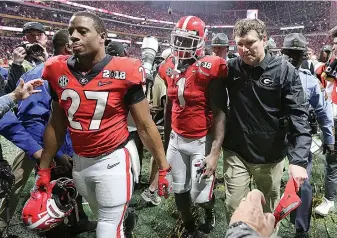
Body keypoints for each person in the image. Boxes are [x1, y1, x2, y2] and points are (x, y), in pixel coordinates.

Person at [34, 11, 171, 238]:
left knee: (107, 228)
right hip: (80, 160)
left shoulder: (124, 70)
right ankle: (126, 219)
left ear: (102, 36)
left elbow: (146, 126)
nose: (74, 37)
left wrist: (163, 167)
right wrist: (44, 169)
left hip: (113, 157)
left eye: (82, 31)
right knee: (104, 215)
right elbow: (56, 124)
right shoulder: (57, 70)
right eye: (71, 32)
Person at [210, 18, 311, 225]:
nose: (244, 49)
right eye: (239, 44)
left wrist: (299, 160)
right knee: (234, 208)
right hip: (236, 153)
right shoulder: (231, 69)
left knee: (268, 214)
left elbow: (298, 115)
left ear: (264, 40)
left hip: (270, 156)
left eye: (250, 43)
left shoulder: (284, 71)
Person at [0, 29, 98, 238]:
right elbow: (33, 122)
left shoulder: (72, 72)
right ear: (69, 48)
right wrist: (53, 154)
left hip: (69, 149)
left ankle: (77, 222)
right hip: (52, 151)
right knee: (52, 199)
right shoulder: (42, 74)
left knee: (72, 188)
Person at [160, 16, 227, 237]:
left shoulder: (211, 66)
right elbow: (169, 108)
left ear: (200, 41)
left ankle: (209, 212)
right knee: (179, 190)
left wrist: (215, 152)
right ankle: (189, 228)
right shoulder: (169, 65)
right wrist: (165, 142)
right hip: (176, 140)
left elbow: (219, 112)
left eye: (187, 41)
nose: (180, 45)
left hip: (201, 140)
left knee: (200, 196)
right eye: (178, 39)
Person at [282, 33, 334, 238]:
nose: (293, 58)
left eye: (296, 55)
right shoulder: (278, 74)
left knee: (301, 182)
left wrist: (329, 139)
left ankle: (301, 227)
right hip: (275, 136)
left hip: (298, 137)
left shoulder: (310, 81)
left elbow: (323, 112)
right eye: (290, 54)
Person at [6, 22, 48, 93]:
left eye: (39, 34)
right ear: (24, 39)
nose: (36, 38)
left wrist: (47, 61)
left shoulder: (53, 59)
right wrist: (16, 65)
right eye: (31, 35)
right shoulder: (19, 62)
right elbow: (11, 92)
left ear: (46, 38)